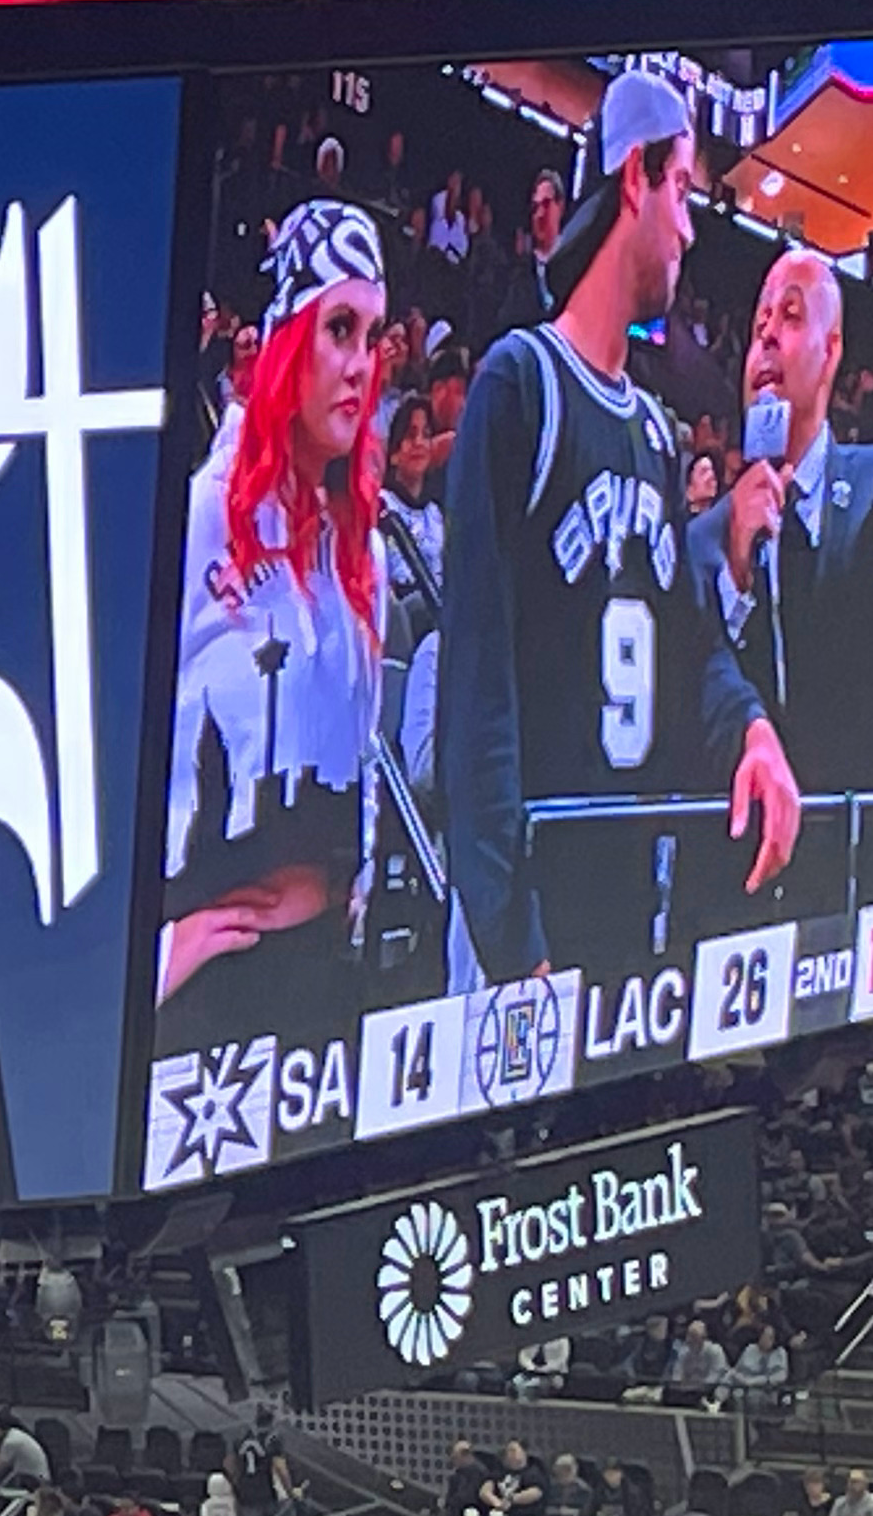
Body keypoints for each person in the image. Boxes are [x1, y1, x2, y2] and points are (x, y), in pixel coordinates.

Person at [436, 68, 795, 993]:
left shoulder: (655, 434)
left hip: (625, 910)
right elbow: (475, 689)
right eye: (683, 193)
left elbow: (689, 642)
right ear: (636, 176)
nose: (691, 230)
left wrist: (751, 732)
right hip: (527, 922)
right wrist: (512, 939)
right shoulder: (519, 385)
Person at [157, 197, 392, 1046]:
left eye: (374, 337)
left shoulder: (363, 547)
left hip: (327, 978)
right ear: (287, 340)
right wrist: (152, 956)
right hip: (211, 1000)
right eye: (339, 329)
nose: (360, 365)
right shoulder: (200, 517)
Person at [683, 245, 873, 800]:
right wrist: (736, 577)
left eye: (790, 315)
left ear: (830, 351)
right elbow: (688, 703)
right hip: (738, 845)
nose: (767, 335)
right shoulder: (706, 537)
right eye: (759, 323)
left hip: (858, 844)